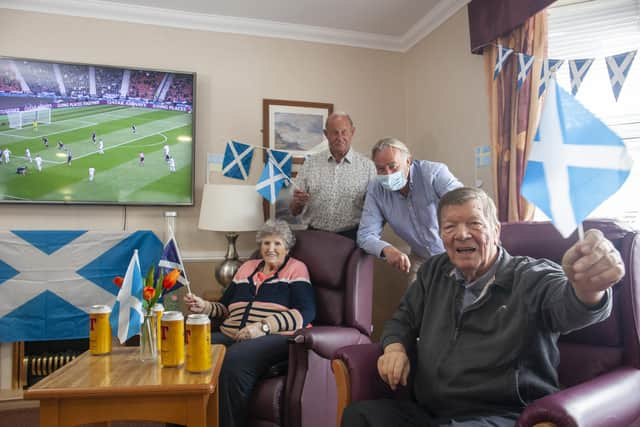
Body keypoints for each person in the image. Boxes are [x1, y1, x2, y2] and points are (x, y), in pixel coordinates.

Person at [342, 187, 624, 427]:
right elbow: (402, 319)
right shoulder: (434, 271)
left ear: (496, 230)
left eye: (474, 224)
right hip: (432, 412)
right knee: (361, 417)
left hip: (503, 415)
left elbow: (570, 307)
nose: (462, 235)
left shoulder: (532, 277)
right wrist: (395, 347)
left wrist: (588, 288)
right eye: (450, 226)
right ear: (441, 235)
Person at [184, 219, 315, 427]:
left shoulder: (296, 269)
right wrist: (205, 307)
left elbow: (306, 312)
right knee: (190, 348)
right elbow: (225, 308)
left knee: (233, 359)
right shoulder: (246, 268)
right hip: (231, 334)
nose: (270, 248)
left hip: (274, 337)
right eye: (266, 243)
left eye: (277, 243)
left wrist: (262, 327)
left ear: (287, 247)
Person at [357, 137, 462, 283]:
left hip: (456, 253)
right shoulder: (376, 189)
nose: (387, 174)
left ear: (408, 161)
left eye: (393, 166)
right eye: (381, 169)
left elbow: (465, 204)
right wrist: (387, 250)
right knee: (414, 304)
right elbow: (365, 235)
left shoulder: (433, 173)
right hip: (421, 258)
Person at [289, 112, 375, 240]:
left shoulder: (368, 167)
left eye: (344, 132)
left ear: (352, 132)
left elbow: (375, 211)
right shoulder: (310, 164)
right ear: (326, 134)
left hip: (352, 238)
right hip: (315, 237)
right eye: (335, 132)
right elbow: (294, 211)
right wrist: (298, 203)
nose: (340, 137)